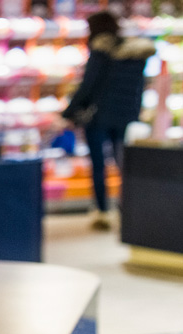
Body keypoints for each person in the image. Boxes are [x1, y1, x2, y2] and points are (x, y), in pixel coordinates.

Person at [63, 11, 156, 230]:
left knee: (99, 165)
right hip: (124, 116)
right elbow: (138, 88)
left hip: (98, 116)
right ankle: (130, 210)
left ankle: (102, 211)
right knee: (123, 164)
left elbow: (88, 86)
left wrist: (68, 113)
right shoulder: (135, 54)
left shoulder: (101, 52)